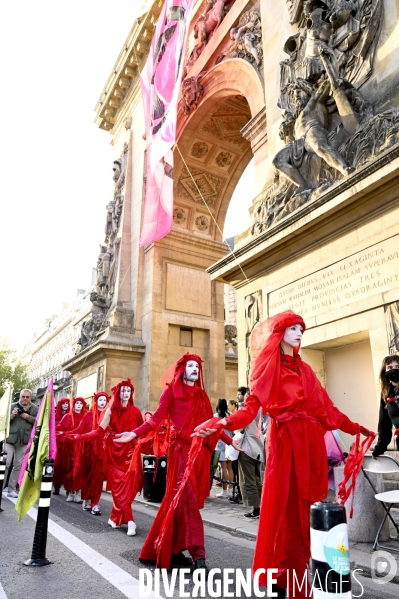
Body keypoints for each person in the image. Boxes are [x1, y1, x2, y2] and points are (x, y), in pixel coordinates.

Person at [194, 311, 375, 598]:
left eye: (301, 328)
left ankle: (306, 573)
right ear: (280, 335)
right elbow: (250, 409)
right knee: (286, 509)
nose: (299, 332)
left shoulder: (306, 371)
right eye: (292, 328)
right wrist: (224, 422)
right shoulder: (269, 369)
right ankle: (288, 577)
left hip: (310, 444)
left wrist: (357, 428)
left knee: (309, 509)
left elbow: (327, 410)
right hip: (285, 445)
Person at [115, 353, 241, 571]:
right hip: (178, 452)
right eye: (190, 366)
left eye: (197, 366)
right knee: (187, 499)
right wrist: (134, 434)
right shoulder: (170, 390)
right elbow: (155, 419)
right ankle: (198, 554)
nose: (195, 369)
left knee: (177, 501)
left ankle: (170, 548)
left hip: (196, 454)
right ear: (182, 369)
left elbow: (209, 424)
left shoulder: (201, 395)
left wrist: (229, 440)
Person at [79, 379, 143, 536]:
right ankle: (130, 521)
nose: (126, 393)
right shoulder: (110, 411)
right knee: (118, 488)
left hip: (130, 453)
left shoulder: (136, 412)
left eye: (129, 390)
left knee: (130, 487)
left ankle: (115, 517)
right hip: (113, 452)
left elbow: (142, 431)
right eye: (123, 390)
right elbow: (99, 431)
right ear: (117, 393)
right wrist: (78, 437)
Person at [68, 391, 111, 514]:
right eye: (100, 400)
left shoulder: (109, 416)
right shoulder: (88, 416)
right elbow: (79, 430)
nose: (103, 403)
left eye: (105, 400)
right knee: (86, 477)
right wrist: (66, 435)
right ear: (96, 402)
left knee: (98, 479)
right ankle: (86, 499)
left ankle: (95, 503)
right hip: (87, 452)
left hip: (102, 452)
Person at [4, 389, 38, 498]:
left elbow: (38, 422)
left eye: (27, 397)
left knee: (18, 465)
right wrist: (12, 416)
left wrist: (28, 417)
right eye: (23, 396)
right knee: (6, 464)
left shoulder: (34, 408)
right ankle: (1, 486)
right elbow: (3, 421)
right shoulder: (12, 405)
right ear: (20, 396)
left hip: (24, 441)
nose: (25, 399)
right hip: (9, 440)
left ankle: (11, 489)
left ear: (30, 397)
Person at [237, 392, 264, 519]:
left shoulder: (249, 411)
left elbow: (240, 427)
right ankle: (261, 507)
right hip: (258, 449)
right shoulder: (261, 410)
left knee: (249, 480)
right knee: (257, 480)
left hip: (247, 449)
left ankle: (256, 509)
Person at [55, 397, 87, 502]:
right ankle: (69, 492)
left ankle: (78, 493)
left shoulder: (86, 416)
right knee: (68, 469)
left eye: (80, 403)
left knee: (79, 470)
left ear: (83, 405)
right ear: (74, 405)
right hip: (68, 447)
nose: (78, 405)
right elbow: (59, 427)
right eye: (77, 403)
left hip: (82, 447)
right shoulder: (67, 417)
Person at [372, 355, 399, 458]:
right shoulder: (386, 395)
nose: (394, 370)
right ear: (385, 371)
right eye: (390, 368)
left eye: (397, 366)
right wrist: (379, 449)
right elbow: (384, 424)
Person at [214, 398, 234, 498]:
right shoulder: (230, 415)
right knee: (229, 467)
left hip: (220, 442)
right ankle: (230, 490)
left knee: (223, 467)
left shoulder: (216, 416)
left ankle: (224, 491)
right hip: (230, 442)